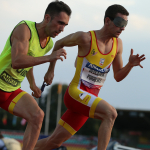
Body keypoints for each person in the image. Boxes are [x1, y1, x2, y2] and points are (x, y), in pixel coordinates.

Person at [34, 4, 145, 150]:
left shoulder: (118, 45)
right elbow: (59, 43)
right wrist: (50, 70)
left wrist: (130, 65)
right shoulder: (85, 38)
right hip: (75, 94)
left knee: (53, 142)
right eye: (119, 23)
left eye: (125, 24)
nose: (122, 28)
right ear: (107, 21)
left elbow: (118, 76)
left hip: (87, 101)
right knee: (110, 114)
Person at [0, 1, 71, 150]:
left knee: (37, 116)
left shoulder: (49, 44)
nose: (62, 29)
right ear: (47, 18)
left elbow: (29, 60)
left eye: (65, 25)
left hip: (11, 90)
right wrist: (49, 58)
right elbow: (18, 61)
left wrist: (32, 83)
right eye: (60, 23)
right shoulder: (24, 29)